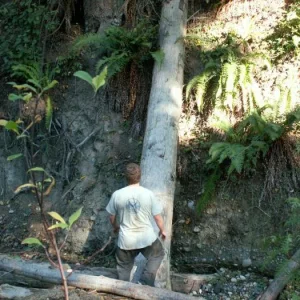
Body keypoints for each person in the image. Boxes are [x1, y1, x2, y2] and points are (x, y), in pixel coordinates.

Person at [106, 163, 166, 286]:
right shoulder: (148, 194)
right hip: (146, 238)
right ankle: (144, 283)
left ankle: (122, 290)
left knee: (123, 267)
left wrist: (116, 227)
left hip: (126, 240)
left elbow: (111, 216)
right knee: (158, 254)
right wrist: (162, 230)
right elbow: (158, 217)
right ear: (140, 176)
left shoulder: (117, 194)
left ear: (125, 177)